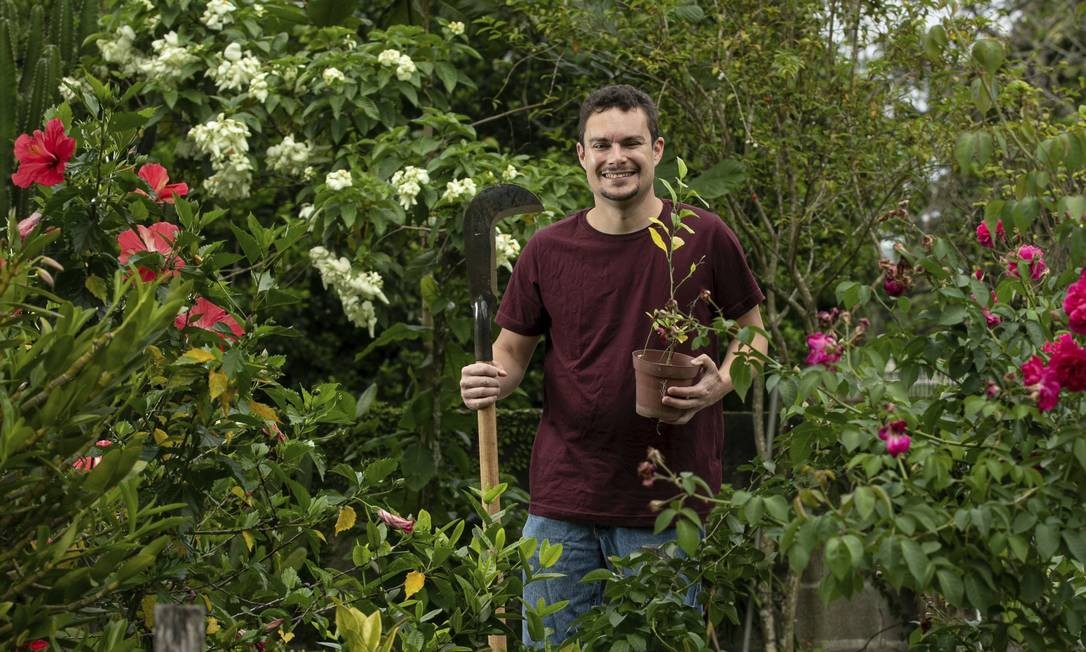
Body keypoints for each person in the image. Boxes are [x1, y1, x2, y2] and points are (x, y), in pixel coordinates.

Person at [459, 84, 768, 646]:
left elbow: (753, 336)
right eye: (601, 144)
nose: (615, 157)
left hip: (667, 506)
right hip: (562, 502)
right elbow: (511, 352)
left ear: (657, 149)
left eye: (631, 142)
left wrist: (718, 385)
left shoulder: (702, 236)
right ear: (582, 154)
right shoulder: (547, 250)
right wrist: (490, 378)